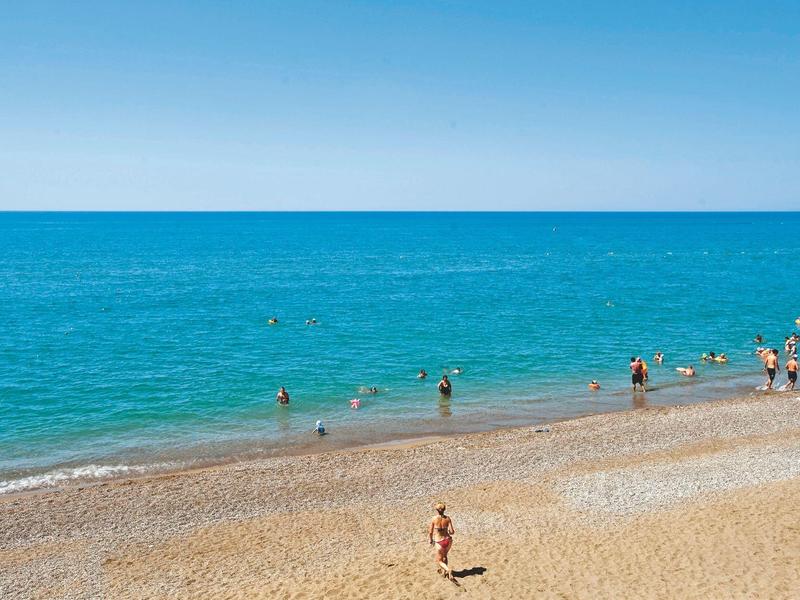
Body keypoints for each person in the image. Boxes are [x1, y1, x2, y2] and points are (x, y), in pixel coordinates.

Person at [428, 502, 455, 581]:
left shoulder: (434, 519)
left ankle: (447, 569)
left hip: (439, 541)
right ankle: (444, 572)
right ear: (444, 510)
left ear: (437, 510)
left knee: (439, 560)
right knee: (445, 555)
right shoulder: (447, 518)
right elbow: (452, 531)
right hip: (448, 540)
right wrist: (448, 532)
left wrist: (430, 540)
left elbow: (430, 531)